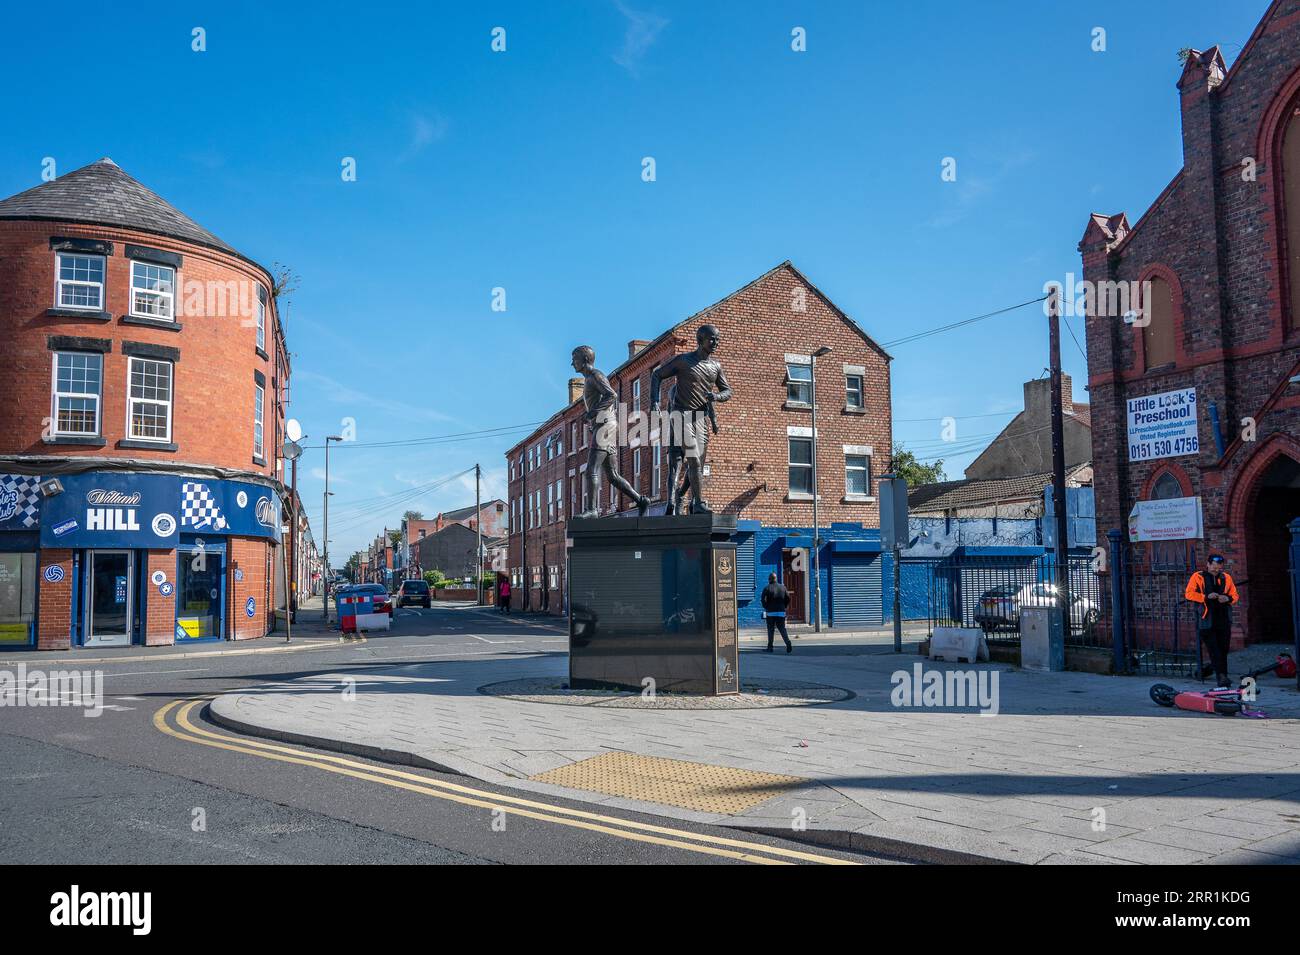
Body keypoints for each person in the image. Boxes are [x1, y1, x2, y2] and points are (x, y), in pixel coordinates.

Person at [649, 324, 732, 515]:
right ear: (700, 340)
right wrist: (654, 401)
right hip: (681, 415)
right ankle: (699, 503)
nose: (715, 343)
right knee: (693, 460)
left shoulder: (715, 366)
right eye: (712, 339)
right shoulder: (683, 361)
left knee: (699, 465)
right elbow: (657, 375)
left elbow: (727, 391)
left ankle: (692, 503)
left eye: (717, 339)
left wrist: (716, 397)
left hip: (701, 418)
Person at [571, 345, 650, 518]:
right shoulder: (589, 379)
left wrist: (593, 412)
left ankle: (591, 510)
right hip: (605, 425)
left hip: (605, 426)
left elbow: (612, 395)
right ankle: (641, 500)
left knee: (591, 469)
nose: (572, 363)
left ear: (584, 360)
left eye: (574, 359)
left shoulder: (595, 376)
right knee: (613, 476)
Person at [1185, 553, 1239, 686]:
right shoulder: (1198, 576)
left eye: (1218, 567)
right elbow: (1189, 594)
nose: (1216, 570)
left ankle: (1220, 674)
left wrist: (1228, 598)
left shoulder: (1226, 577)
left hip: (1223, 618)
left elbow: (1235, 595)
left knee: (1223, 649)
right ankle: (1222, 677)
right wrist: (1205, 597)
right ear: (1208, 565)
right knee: (1214, 649)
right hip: (1206, 619)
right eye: (1213, 567)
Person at [760, 572, 793, 653]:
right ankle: (788, 643)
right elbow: (788, 598)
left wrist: (766, 607)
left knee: (771, 630)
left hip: (771, 612)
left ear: (770, 579)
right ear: (776, 578)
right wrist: (784, 606)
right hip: (781, 612)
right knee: (782, 629)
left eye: (769, 578)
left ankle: (770, 647)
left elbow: (762, 599)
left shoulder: (767, 588)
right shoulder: (783, 587)